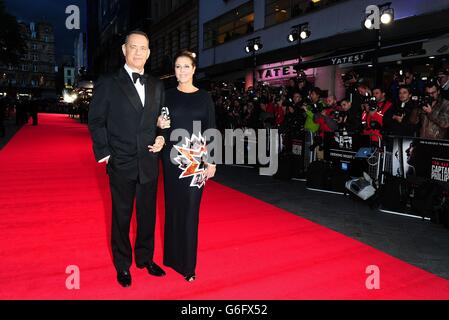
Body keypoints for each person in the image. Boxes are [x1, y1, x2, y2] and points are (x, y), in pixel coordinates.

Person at [88, 30, 167, 288]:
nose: (138, 52)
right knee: (121, 217)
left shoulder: (157, 84)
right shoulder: (109, 82)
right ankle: (123, 265)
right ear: (124, 49)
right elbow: (96, 120)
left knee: (147, 216)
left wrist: (161, 136)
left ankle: (145, 259)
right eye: (133, 47)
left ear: (149, 52)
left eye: (143, 48)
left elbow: (161, 121)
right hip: (121, 161)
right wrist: (106, 153)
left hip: (149, 161)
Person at [160, 51, 217, 282]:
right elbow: (161, 127)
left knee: (191, 209)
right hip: (171, 158)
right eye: (177, 66)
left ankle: (188, 266)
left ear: (194, 69)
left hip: (196, 160)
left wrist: (212, 160)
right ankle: (172, 257)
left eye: (186, 66)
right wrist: (159, 124)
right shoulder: (166, 96)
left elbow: (211, 128)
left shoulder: (205, 97)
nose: (181, 71)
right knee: (173, 208)